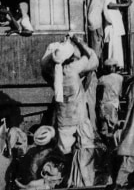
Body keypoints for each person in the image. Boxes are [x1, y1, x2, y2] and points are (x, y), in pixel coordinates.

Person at [39, 35, 98, 185]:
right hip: (78, 120)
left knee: (65, 156)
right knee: (84, 152)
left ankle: (64, 182)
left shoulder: (54, 73)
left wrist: (59, 47)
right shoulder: (73, 69)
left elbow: (45, 65)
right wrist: (79, 42)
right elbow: (92, 58)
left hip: (63, 122)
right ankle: (82, 182)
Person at [97, 59, 123, 142]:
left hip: (105, 104)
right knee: (114, 126)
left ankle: (107, 145)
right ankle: (113, 143)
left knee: (104, 127)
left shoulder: (102, 79)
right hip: (114, 104)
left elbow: (99, 93)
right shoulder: (120, 78)